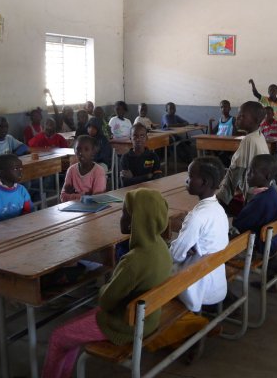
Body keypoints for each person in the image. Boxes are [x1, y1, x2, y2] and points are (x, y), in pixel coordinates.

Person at [41, 189, 172, 378]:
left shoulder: (134, 261)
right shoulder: (161, 248)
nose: (121, 218)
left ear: (136, 221)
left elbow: (106, 302)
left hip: (123, 326)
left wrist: (104, 287)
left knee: (58, 336)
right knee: (72, 330)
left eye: (124, 213)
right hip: (148, 319)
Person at [232, 154, 277, 296]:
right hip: (272, 239)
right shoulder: (272, 194)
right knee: (271, 257)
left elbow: (240, 224)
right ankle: (271, 282)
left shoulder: (260, 201)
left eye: (252, 172)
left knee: (225, 241)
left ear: (267, 176)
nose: (247, 175)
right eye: (248, 170)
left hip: (260, 246)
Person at [170, 157, 228, 311]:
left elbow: (175, 255)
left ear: (204, 182)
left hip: (196, 288)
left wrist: (175, 247)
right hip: (216, 283)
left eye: (190, 176)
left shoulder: (197, 216)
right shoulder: (218, 209)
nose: (187, 180)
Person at [216, 101, 269, 211]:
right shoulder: (259, 135)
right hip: (264, 192)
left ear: (256, 120)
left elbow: (235, 173)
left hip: (253, 197)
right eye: (238, 115)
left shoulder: (248, 140)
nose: (237, 118)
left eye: (242, 116)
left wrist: (220, 198)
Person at [60, 136, 107, 202]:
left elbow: (97, 199)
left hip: (93, 208)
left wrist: (73, 195)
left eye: (86, 149)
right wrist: (85, 195)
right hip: (73, 207)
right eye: (78, 149)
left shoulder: (98, 171)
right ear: (74, 151)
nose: (81, 153)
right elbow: (63, 197)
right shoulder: (71, 170)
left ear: (93, 152)